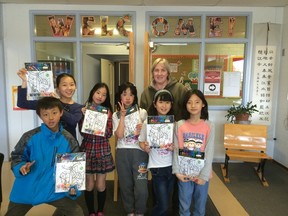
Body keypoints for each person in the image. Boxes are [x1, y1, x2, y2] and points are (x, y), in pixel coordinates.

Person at [5, 97, 84, 216]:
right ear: (40, 116)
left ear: (61, 112)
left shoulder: (69, 140)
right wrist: (21, 167)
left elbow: (74, 169)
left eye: (54, 113)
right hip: (28, 188)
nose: (51, 118)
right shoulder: (30, 136)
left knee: (76, 212)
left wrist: (73, 189)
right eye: (45, 114)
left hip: (54, 190)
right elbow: (17, 156)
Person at [172, 89, 215, 216]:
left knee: (200, 206)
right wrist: (177, 171)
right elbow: (176, 149)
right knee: (184, 206)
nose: (193, 105)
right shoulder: (179, 125)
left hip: (202, 173)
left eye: (197, 102)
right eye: (189, 102)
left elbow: (210, 151)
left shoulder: (209, 125)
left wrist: (204, 176)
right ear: (185, 105)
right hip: (184, 173)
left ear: (203, 104)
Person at [78, 83, 115, 216]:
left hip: (102, 151)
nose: (100, 96)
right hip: (87, 150)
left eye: (104, 94)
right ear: (92, 93)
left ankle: (100, 211)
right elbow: (82, 132)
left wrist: (101, 124)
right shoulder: (84, 109)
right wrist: (85, 117)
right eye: (98, 92)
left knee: (100, 185)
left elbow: (109, 133)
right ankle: (91, 212)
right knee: (89, 185)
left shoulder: (108, 112)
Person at [112, 82, 148, 216]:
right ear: (119, 96)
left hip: (139, 152)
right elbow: (120, 135)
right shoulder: (115, 115)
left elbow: (149, 132)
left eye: (131, 95)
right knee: (126, 185)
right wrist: (122, 116)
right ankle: (130, 211)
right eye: (124, 94)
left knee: (141, 186)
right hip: (122, 152)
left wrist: (142, 129)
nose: (128, 97)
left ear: (135, 97)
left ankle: (140, 211)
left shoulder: (142, 112)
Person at [139, 89, 176, 216]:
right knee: (164, 204)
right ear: (155, 104)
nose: (164, 106)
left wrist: (174, 147)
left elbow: (178, 145)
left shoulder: (174, 123)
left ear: (171, 104)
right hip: (157, 167)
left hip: (172, 167)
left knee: (166, 202)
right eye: (161, 102)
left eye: (167, 102)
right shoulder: (148, 122)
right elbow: (141, 141)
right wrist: (145, 147)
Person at [17, 69, 83, 139]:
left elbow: (72, 121)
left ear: (75, 87)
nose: (69, 88)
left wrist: (56, 104)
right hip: (49, 143)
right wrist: (24, 81)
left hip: (69, 145)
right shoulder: (49, 103)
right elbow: (22, 103)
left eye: (72, 85)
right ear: (57, 89)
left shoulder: (79, 107)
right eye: (64, 85)